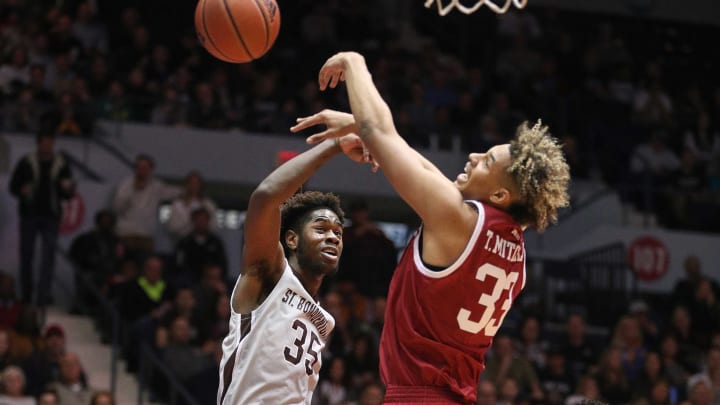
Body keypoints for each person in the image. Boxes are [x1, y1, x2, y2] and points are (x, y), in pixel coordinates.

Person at [292, 51, 570, 404]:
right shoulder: (513, 250)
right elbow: (422, 173)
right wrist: (366, 131)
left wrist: (354, 63)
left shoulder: (458, 220)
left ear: (500, 193)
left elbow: (379, 129)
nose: (473, 157)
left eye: (486, 161)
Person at [217, 132, 374, 404]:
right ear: (291, 239)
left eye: (338, 232)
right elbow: (265, 198)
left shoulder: (325, 319)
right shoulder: (270, 275)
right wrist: (334, 146)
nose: (333, 237)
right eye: (321, 228)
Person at [9, 131, 75, 306]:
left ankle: (42, 297)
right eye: (44, 142)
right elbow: (13, 186)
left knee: (48, 259)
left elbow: (68, 193)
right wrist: (21, 190)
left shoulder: (61, 164)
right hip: (29, 215)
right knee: (26, 256)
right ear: (38, 144)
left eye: (50, 142)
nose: (47, 146)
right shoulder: (26, 162)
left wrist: (67, 190)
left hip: (51, 216)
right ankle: (26, 296)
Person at [111, 153, 180, 256]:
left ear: (151, 170)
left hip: (146, 237)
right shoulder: (126, 185)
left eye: (145, 168)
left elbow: (172, 192)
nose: (142, 170)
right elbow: (117, 208)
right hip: (126, 235)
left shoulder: (156, 186)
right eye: (139, 167)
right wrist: (133, 190)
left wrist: (188, 191)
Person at [165, 170, 218, 242]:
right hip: (181, 241)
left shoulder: (208, 204)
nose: (194, 186)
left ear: (201, 185)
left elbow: (214, 227)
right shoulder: (177, 204)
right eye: (191, 183)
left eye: (196, 183)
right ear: (186, 185)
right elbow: (171, 227)